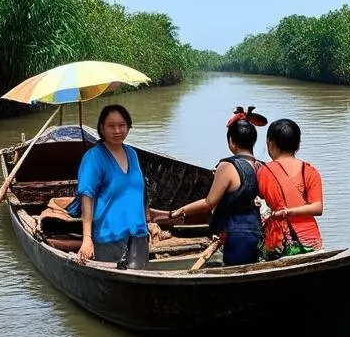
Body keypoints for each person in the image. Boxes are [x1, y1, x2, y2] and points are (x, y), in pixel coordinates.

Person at [155, 106, 268, 266]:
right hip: (255, 229)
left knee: (233, 274)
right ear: (253, 141)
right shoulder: (260, 166)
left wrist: (180, 211)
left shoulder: (228, 166)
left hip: (235, 232)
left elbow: (209, 203)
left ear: (231, 142)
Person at [75, 104, 153, 268]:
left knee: (138, 281)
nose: (117, 131)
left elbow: (137, 192)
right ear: (101, 128)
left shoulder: (132, 153)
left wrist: (147, 222)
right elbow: (87, 198)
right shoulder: (94, 157)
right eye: (111, 126)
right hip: (109, 236)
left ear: (128, 127)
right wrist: (87, 238)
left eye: (122, 125)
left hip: (137, 234)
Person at [257, 118, 324, 257]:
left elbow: (259, 199)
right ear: (298, 145)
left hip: (280, 241)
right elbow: (317, 208)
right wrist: (290, 211)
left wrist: (285, 211)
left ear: (271, 144)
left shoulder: (264, 171)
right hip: (311, 240)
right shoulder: (310, 171)